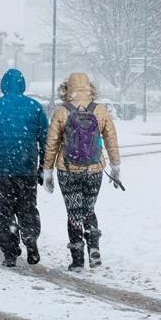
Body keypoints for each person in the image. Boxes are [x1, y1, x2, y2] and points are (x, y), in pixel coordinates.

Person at [42, 72, 121, 271]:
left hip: (67, 170)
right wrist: (116, 166)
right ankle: (94, 249)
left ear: (67, 88)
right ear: (90, 88)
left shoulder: (62, 112)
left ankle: (77, 259)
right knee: (89, 210)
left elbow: (51, 143)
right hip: (94, 169)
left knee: (74, 213)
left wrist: (47, 171)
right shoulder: (100, 110)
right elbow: (111, 139)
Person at [0, 68, 49, 267]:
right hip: (27, 169)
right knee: (27, 207)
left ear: (3, 86)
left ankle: (10, 252)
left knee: (5, 210)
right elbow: (46, 141)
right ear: (22, 85)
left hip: (3, 170)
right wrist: (43, 167)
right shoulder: (35, 107)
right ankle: (30, 238)